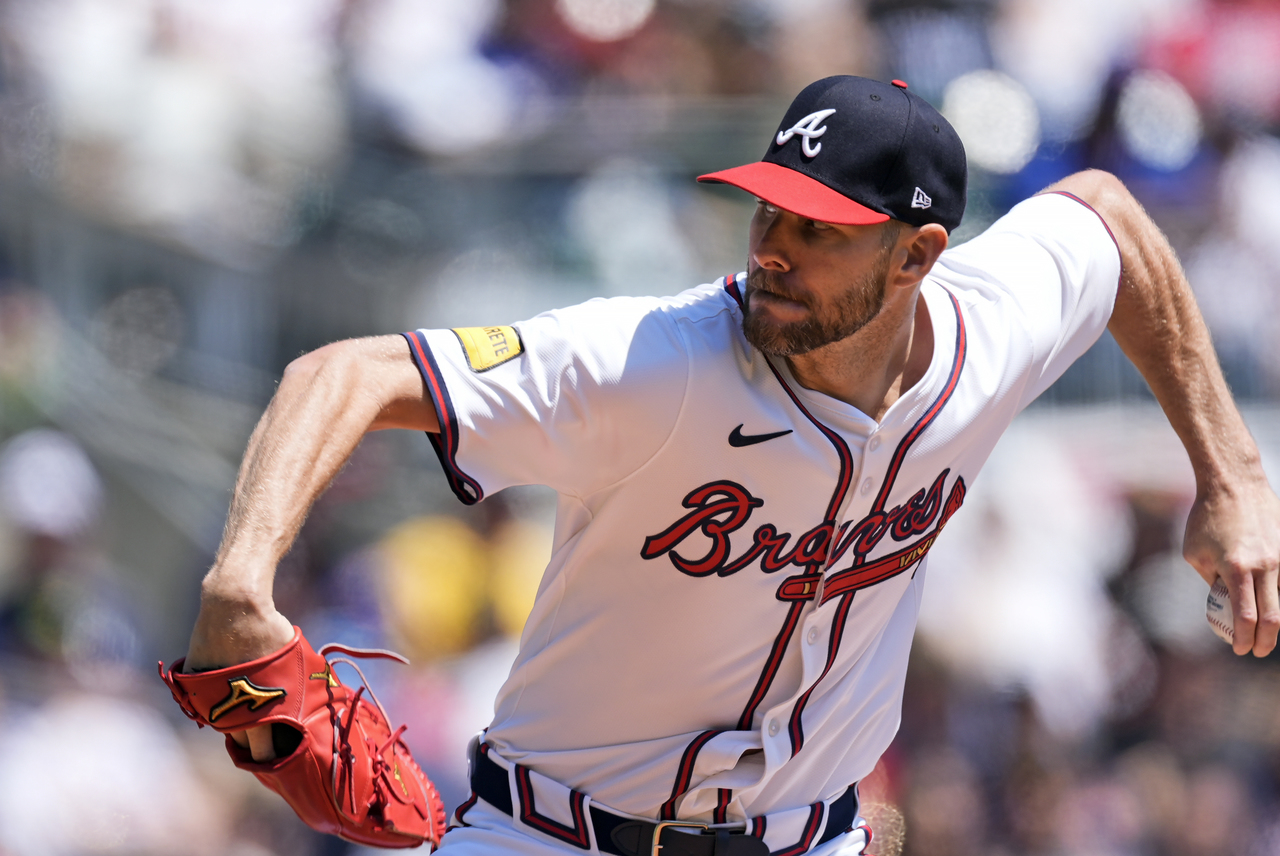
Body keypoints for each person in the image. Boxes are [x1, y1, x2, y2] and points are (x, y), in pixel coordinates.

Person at [182, 76, 1280, 856]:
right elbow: (344, 371)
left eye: (818, 229)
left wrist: (1230, 473)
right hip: (551, 833)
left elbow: (1106, 219)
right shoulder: (648, 363)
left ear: (917, 254)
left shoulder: (989, 333)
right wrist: (240, 581)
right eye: (768, 208)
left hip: (813, 836)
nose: (772, 248)